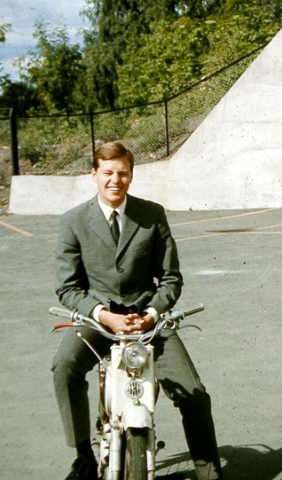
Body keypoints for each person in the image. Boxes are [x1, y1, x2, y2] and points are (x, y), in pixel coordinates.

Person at [52, 141, 223, 480]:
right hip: (99, 319)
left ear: (131, 175)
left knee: (194, 393)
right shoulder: (73, 221)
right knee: (64, 368)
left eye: (123, 173)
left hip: (147, 320)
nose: (115, 180)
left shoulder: (151, 214)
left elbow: (171, 278)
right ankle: (83, 455)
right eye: (108, 173)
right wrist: (102, 313)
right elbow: (68, 287)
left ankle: (209, 470)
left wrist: (153, 313)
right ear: (94, 174)